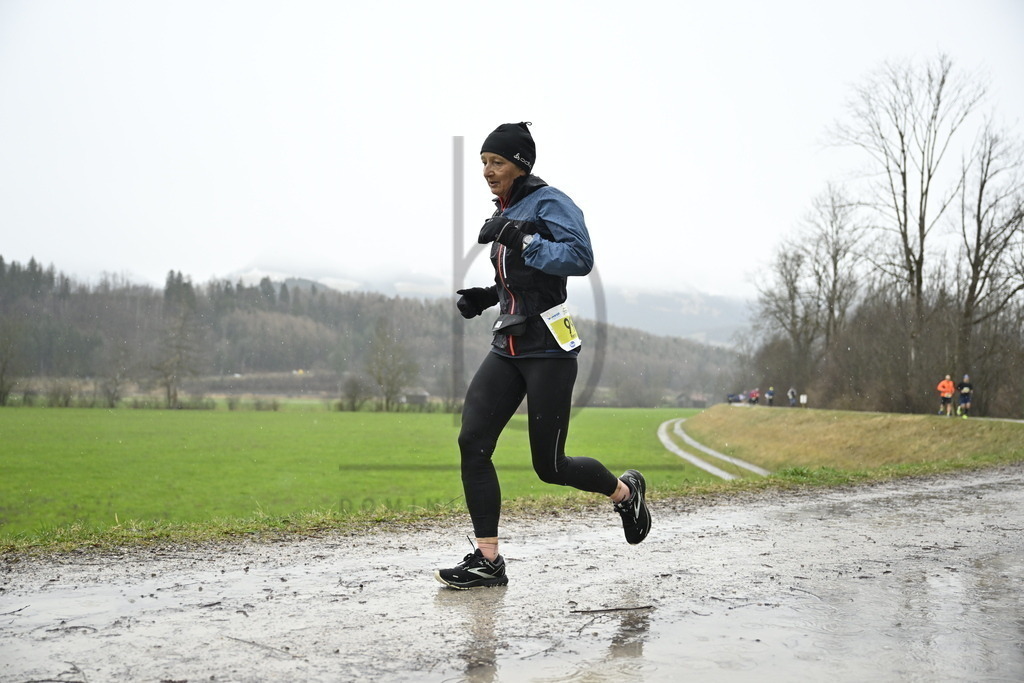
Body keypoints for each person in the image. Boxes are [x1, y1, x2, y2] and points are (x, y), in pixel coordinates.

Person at [435, 122, 652, 590]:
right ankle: (487, 560)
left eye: (497, 162)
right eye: (484, 163)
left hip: (549, 350)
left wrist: (521, 239)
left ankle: (624, 492)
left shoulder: (551, 202)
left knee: (549, 467)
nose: (488, 172)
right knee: (472, 442)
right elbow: (524, 281)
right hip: (508, 344)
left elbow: (578, 258)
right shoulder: (507, 208)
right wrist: (486, 295)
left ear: (521, 164)